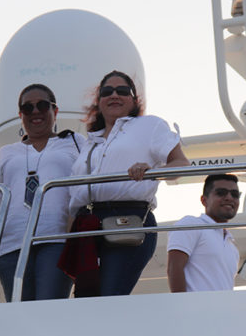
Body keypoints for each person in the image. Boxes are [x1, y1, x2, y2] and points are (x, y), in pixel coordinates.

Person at [66, 70, 190, 297]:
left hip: (128, 220)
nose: (114, 95)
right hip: (85, 226)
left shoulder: (149, 126)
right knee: (85, 298)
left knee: (110, 295)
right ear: (98, 101)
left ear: (134, 100)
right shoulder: (89, 142)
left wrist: (152, 172)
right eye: (107, 92)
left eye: (122, 91)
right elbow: (75, 195)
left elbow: (181, 163)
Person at [0, 84, 85, 301]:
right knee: (20, 314)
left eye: (42, 105)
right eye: (28, 108)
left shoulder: (75, 144)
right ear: (21, 115)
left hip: (58, 239)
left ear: (55, 111)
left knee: (48, 307)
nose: (36, 111)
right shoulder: (5, 154)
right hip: (11, 245)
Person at [166, 174, 241, 292]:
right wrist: (181, 306)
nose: (229, 198)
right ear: (204, 200)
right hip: (194, 309)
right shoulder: (191, 224)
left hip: (224, 310)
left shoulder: (233, 247)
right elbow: (174, 268)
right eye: (221, 193)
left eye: (235, 195)